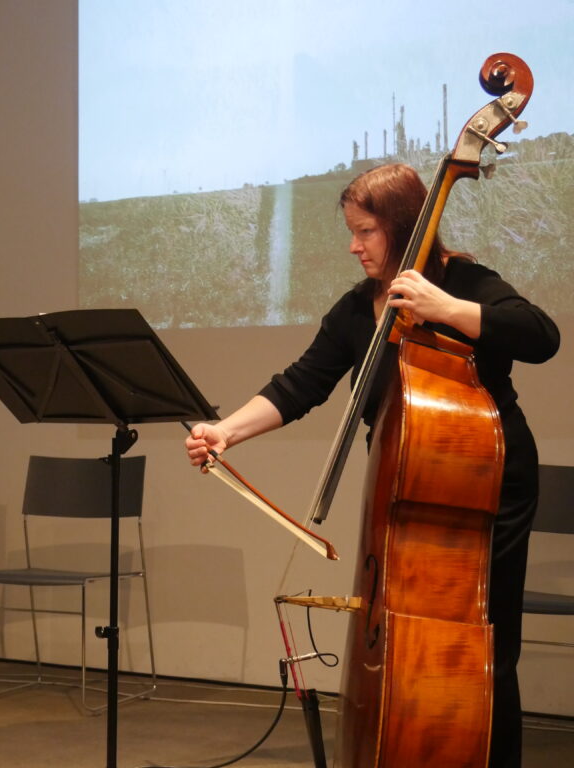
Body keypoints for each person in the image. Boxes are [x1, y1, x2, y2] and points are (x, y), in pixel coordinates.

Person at [185, 163, 559, 768]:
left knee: (485, 642)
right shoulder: (360, 309)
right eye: (352, 231)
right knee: (407, 638)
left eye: (365, 231)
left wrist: (446, 307)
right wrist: (224, 431)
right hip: (406, 487)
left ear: (405, 226)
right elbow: (299, 385)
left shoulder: (463, 279)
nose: (353, 245)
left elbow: (541, 336)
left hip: (487, 485)